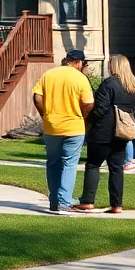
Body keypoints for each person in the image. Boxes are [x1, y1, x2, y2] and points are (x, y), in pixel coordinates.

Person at [73, 54, 135, 214]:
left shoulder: (109, 84)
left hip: (103, 131)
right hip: (122, 132)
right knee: (116, 168)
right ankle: (117, 204)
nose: (109, 66)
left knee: (93, 165)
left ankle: (88, 201)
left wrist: (88, 120)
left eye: (110, 64)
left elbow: (101, 109)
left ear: (115, 66)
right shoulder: (132, 86)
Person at [33, 49, 94, 215]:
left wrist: (45, 114)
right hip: (74, 126)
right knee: (69, 164)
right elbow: (89, 103)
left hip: (52, 126)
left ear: (66, 59)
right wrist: (82, 115)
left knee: (53, 163)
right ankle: (64, 202)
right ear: (79, 63)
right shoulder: (80, 78)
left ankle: (54, 201)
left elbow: (37, 97)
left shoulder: (49, 74)